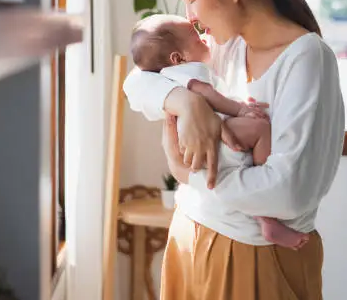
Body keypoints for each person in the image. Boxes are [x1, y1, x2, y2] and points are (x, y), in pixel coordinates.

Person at [123, 0, 345, 299]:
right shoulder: (226, 47)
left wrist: (186, 175)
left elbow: (288, 193)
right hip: (190, 234)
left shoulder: (306, 59)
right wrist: (186, 101)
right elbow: (136, 82)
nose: (190, 17)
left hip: (251, 254)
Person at [130, 14, 310, 249]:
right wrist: (241, 110)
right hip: (208, 139)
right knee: (260, 128)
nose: (203, 36)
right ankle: (264, 191)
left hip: (197, 149)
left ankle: (264, 220)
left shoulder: (167, 74)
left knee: (231, 174)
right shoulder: (189, 73)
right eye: (195, 37)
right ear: (178, 57)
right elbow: (209, 96)